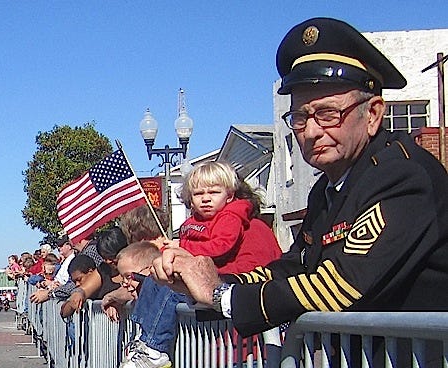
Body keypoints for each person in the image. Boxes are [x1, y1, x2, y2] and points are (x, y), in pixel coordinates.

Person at [152, 17, 448, 366]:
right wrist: (202, 276)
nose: (310, 131)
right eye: (300, 117)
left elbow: (341, 284)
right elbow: (293, 267)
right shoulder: (329, 188)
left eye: (327, 114)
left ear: (372, 115)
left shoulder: (401, 175)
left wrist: (222, 296)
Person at [121, 161, 282, 368]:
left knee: (170, 290)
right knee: (161, 283)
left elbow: (249, 267)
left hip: (246, 331)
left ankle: (153, 347)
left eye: (214, 192)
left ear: (230, 194)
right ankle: (146, 343)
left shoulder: (250, 227)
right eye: (198, 194)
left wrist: (187, 261)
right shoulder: (197, 225)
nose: (206, 199)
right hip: (216, 335)